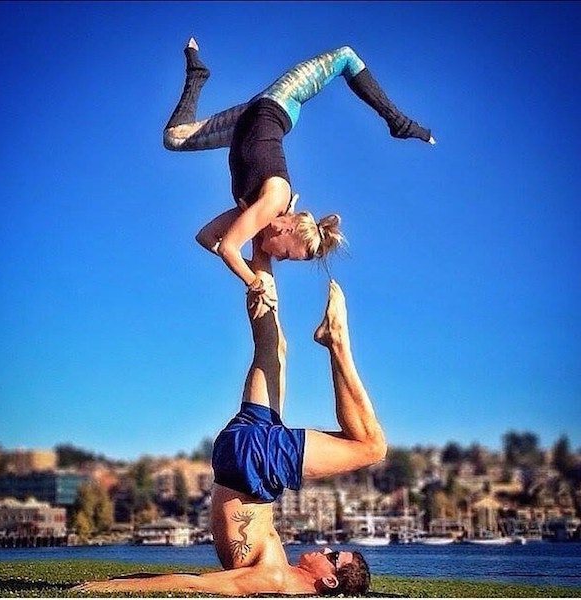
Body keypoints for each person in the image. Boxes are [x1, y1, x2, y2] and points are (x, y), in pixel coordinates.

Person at [75, 246, 388, 596]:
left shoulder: (275, 579)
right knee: (271, 345)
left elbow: (195, 585)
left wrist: (107, 588)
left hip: (249, 466)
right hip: (239, 453)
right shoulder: (279, 566)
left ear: (329, 580)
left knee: (371, 447)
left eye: (333, 557)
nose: (327, 548)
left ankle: (337, 342)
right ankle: (262, 240)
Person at [163, 39, 434, 315]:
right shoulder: (272, 202)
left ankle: (197, 74)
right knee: (345, 57)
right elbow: (228, 248)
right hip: (278, 102)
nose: (279, 259)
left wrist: (247, 263)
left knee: (173, 137)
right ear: (287, 230)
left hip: (241, 123)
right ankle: (398, 122)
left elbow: (206, 237)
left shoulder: (252, 214)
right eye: (287, 255)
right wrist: (255, 282)